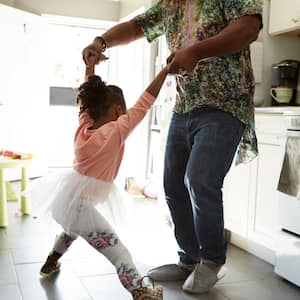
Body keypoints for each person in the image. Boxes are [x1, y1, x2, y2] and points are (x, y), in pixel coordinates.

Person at [82, 0, 263, 294]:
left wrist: (195, 51)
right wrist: (102, 41)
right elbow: (136, 26)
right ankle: (189, 260)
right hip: (185, 106)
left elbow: (249, 27)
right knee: (173, 185)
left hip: (224, 103)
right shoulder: (170, 3)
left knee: (200, 180)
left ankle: (213, 261)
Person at [36, 58, 171, 299]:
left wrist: (90, 69)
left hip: (66, 199)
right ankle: (141, 293)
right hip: (80, 205)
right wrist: (166, 69)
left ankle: (51, 261)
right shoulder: (117, 129)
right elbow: (146, 101)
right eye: (126, 111)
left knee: (71, 230)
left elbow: (85, 104)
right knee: (117, 251)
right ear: (119, 110)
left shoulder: (84, 125)